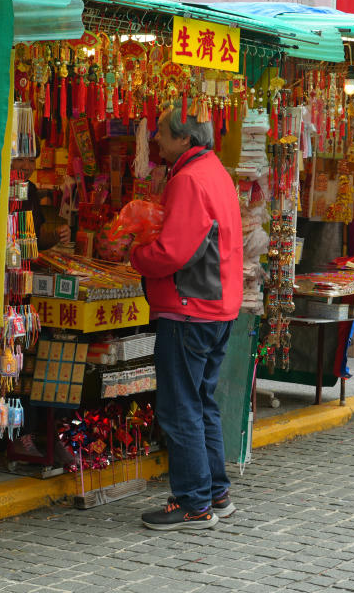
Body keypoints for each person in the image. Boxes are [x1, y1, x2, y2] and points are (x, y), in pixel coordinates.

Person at [130, 105, 242, 531]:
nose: (156, 140)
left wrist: (136, 256)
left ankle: (194, 504)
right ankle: (215, 492)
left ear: (184, 138)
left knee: (181, 409)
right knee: (202, 403)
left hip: (189, 307)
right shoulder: (215, 171)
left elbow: (173, 252)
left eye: (161, 133)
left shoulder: (188, 179)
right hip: (217, 307)